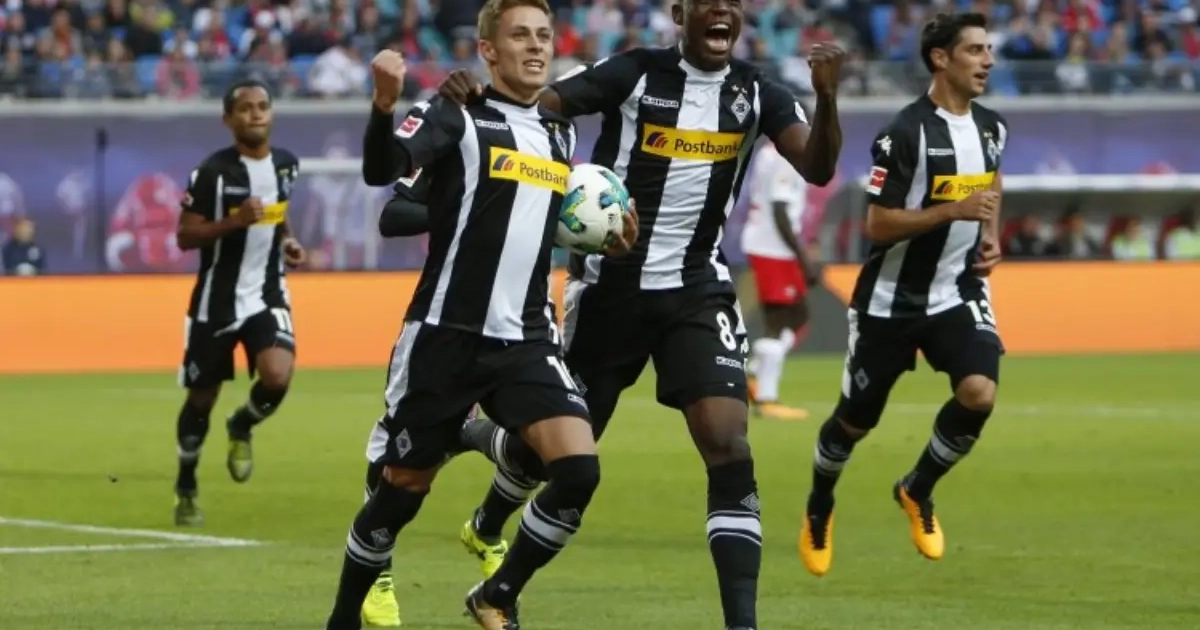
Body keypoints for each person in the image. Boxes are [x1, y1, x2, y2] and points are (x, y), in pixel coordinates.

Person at [437, 1, 844, 628]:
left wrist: (828, 97)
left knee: (729, 445)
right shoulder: (633, 73)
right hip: (610, 292)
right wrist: (491, 112)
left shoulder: (759, 93)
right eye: (706, 1)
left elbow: (817, 167)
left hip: (696, 290)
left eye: (732, 2)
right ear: (679, 13)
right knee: (553, 459)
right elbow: (543, 105)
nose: (722, 10)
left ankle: (736, 622)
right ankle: (478, 441)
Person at [322, 0, 637, 627]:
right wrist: (383, 105)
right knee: (399, 494)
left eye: (544, 35)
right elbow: (383, 171)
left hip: (526, 339)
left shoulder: (561, 135)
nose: (536, 46)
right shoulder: (454, 113)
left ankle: (496, 595)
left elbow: (541, 225)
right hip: (446, 336)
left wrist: (607, 239)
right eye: (520, 35)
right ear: (489, 50)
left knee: (577, 470)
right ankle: (343, 619)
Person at [797, 12, 1007, 578]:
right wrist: (953, 211)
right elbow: (878, 224)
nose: (988, 60)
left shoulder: (993, 127)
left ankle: (917, 487)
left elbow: (992, 178)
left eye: (988, 49)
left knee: (979, 393)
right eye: (975, 50)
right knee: (854, 423)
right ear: (941, 59)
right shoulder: (904, 133)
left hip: (956, 290)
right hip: (889, 300)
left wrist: (989, 233)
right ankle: (819, 504)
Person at [172, 79, 307, 527]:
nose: (255, 113)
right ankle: (186, 485)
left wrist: (287, 241)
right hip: (216, 300)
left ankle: (242, 424)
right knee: (201, 399)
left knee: (278, 375)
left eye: (262, 105)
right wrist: (234, 221)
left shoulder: (286, 165)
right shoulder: (211, 173)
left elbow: (278, 213)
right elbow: (184, 235)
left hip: (267, 291)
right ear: (228, 119)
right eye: (245, 108)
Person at [739, 140, 821, 421]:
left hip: (773, 246)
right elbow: (779, 210)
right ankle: (767, 398)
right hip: (772, 247)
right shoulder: (785, 157)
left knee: (798, 318)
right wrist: (803, 256)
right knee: (779, 320)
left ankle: (753, 371)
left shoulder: (770, 152)